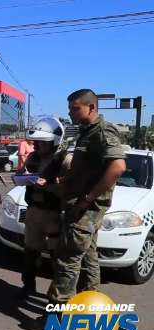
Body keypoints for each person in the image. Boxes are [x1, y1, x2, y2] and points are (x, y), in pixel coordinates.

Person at [45, 89, 125, 314]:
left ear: (92, 107)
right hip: (78, 205)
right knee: (89, 258)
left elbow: (117, 167)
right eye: (69, 108)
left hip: (85, 208)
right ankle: (91, 304)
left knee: (66, 261)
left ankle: (57, 314)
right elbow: (87, 168)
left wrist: (88, 198)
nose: (70, 113)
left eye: (75, 108)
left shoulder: (103, 131)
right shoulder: (86, 132)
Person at [17, 116, 68, 300]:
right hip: (34, 211)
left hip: (54, 214)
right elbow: (22, 173)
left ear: (54, 141)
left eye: (42, 142)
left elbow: (69, 189)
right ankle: (28, 286)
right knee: (30, 252)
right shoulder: (33, 156)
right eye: (37, 142)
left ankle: (57, 295)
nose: (38, 145)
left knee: (57, 257)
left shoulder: (64, 159)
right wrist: (24, 178)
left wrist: (47, 186)